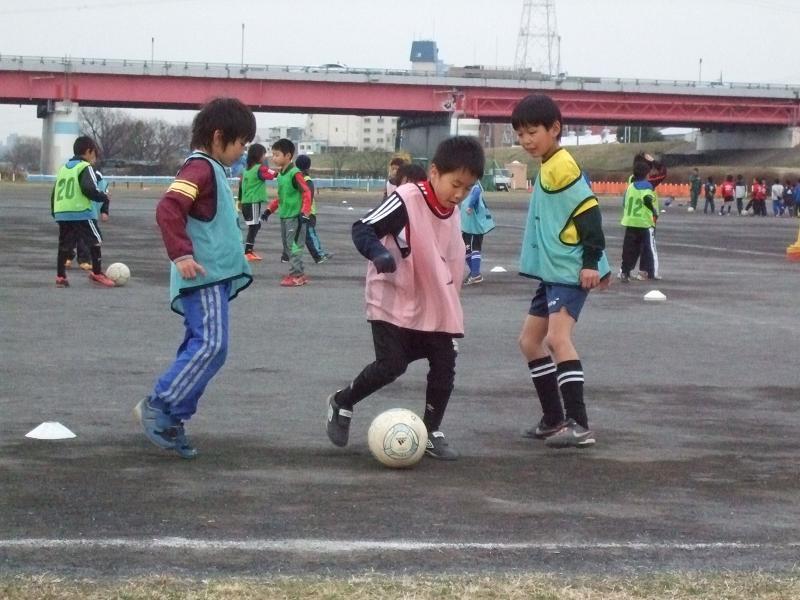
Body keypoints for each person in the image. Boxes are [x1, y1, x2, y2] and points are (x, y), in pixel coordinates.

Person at [325, 136, 485, 461]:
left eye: (467, 189)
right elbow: (363, 228)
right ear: (435, 172)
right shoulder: (406, 199)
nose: (459, 194)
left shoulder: (452, 209)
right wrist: (378, 253)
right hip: (393, 297)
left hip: (433, 301)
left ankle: (431, 430)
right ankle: (342, 401)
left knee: (444, 360)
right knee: (392, 365)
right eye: (455, 184)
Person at [134, 97, 255, 459]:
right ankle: (161, 404)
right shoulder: (200, 169)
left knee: (202, 347)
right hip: (201, 275)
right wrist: (182, 253)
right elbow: (168, 207)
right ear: (219, 136)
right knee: (211, 345)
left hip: (210, 275)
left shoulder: (211, 170)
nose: (242, 152)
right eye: (241, 144)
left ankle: (173, 418)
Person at [511, 94, 611, 449]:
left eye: (532, 131)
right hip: (553, 272)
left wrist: (592, 263)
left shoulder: (562, 167)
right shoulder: (550, 164)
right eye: (520, 133)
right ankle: (554, 418)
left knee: (556, 339)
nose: (526, 140)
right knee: (529, 342)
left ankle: (578, 423)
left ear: (555, 129)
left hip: (569, 270)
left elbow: (589, 212)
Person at [52, 136, 115, 288]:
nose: (94, 157)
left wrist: (55, 211)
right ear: (88, 151)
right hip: (80, 211)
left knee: (64, 245)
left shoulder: (63, 168)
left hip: (62, 212)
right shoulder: (85, 167)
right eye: (93, 153)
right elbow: (88, 188)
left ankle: (61, 276)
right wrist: (102, 196)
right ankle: (97, 273)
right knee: (95, 240)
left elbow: (54, 192)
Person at [260, 139, 313, 286]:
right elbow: (281, 197)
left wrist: (305, 213)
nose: (273, 158)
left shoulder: (295, 174)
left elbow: (306, 192)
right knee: (288, 246)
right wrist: (269, 210)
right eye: (273, 154)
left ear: (288, 155)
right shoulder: (281, 175)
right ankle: (300, 274)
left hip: (295, 217)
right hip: (284, 216)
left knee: (293, 246)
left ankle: (296, 275)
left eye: (276, 155)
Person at [619, 153, 659, 283]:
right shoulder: (646, 186)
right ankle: (650, 272)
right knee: (648, 249)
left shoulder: (630, 186)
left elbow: (624, 201)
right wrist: (653, 210)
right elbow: (647, 199)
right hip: (644, 223)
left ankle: (625, 272)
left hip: (630, 222)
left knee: (628, 249)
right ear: (647, 174)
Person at [238, 143, 276, 262]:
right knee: (254, 226)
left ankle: (249, 250)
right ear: (258, 155)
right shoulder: (260, 168)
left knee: (254, 225)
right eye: (264, 154)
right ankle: (248, 252)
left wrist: (240, 200)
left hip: (246, 202)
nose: (265, 157)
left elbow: (241, 187)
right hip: (253, 202)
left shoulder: (246, 171)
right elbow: (273, 175)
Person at [69, 169, 110, 270]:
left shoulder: (98, 176)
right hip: (73, 210)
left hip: (89, 213)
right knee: (69, 235)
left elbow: (105, 195)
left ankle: (84, 260)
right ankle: (68, 256)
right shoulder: (76, 174)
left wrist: (104, 211)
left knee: (85, 237)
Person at [295, 154, 333, 264]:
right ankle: (319, 255)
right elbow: (309, 197)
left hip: (299, 211)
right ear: (308, 167)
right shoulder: (307, 180)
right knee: (310, 234)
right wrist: (306, 212)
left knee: (304, 235)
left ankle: (316, 253)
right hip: (308, 212)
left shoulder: (298, 179)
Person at [460, 181, 495, 285]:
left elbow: (476, 194)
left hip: (474, 226)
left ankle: (475, 274)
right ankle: (475, 273)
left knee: (473, 247)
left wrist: (470, 206)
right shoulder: (467, 187)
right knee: (466, 248)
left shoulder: (475, 187)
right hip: (468, 226)